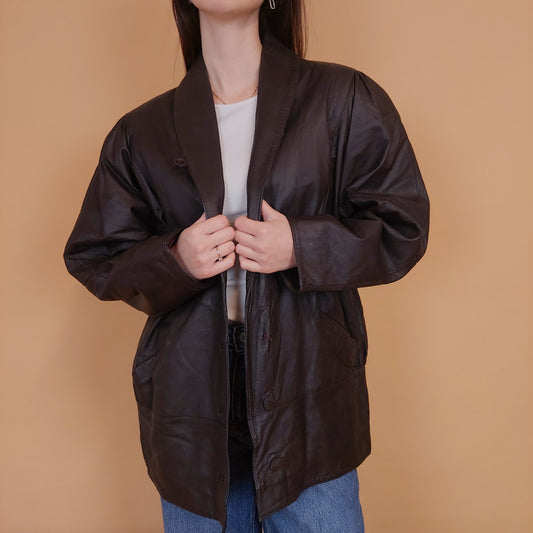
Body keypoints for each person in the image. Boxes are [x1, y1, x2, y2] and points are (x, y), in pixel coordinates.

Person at [63, 0, 430, 531]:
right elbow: (95, 254)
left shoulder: (341, 98)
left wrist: (301, 245)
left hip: (307, 387)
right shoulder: (141, 131)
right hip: (191, 401)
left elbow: (402, 224)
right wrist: (176, 259)